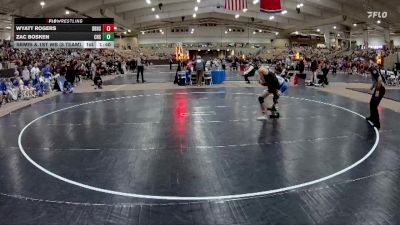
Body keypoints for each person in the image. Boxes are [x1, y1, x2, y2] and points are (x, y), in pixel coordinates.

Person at [366, 64, 386, 129]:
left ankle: (377, 123)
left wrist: (377, 92)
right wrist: (371, 88)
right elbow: (376, 81)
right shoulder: (372, 70)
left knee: (374, 105)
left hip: (380, 89)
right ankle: (372, 117)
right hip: (378, 88)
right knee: (371, 103)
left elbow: (379, 80)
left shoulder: (373, 70)